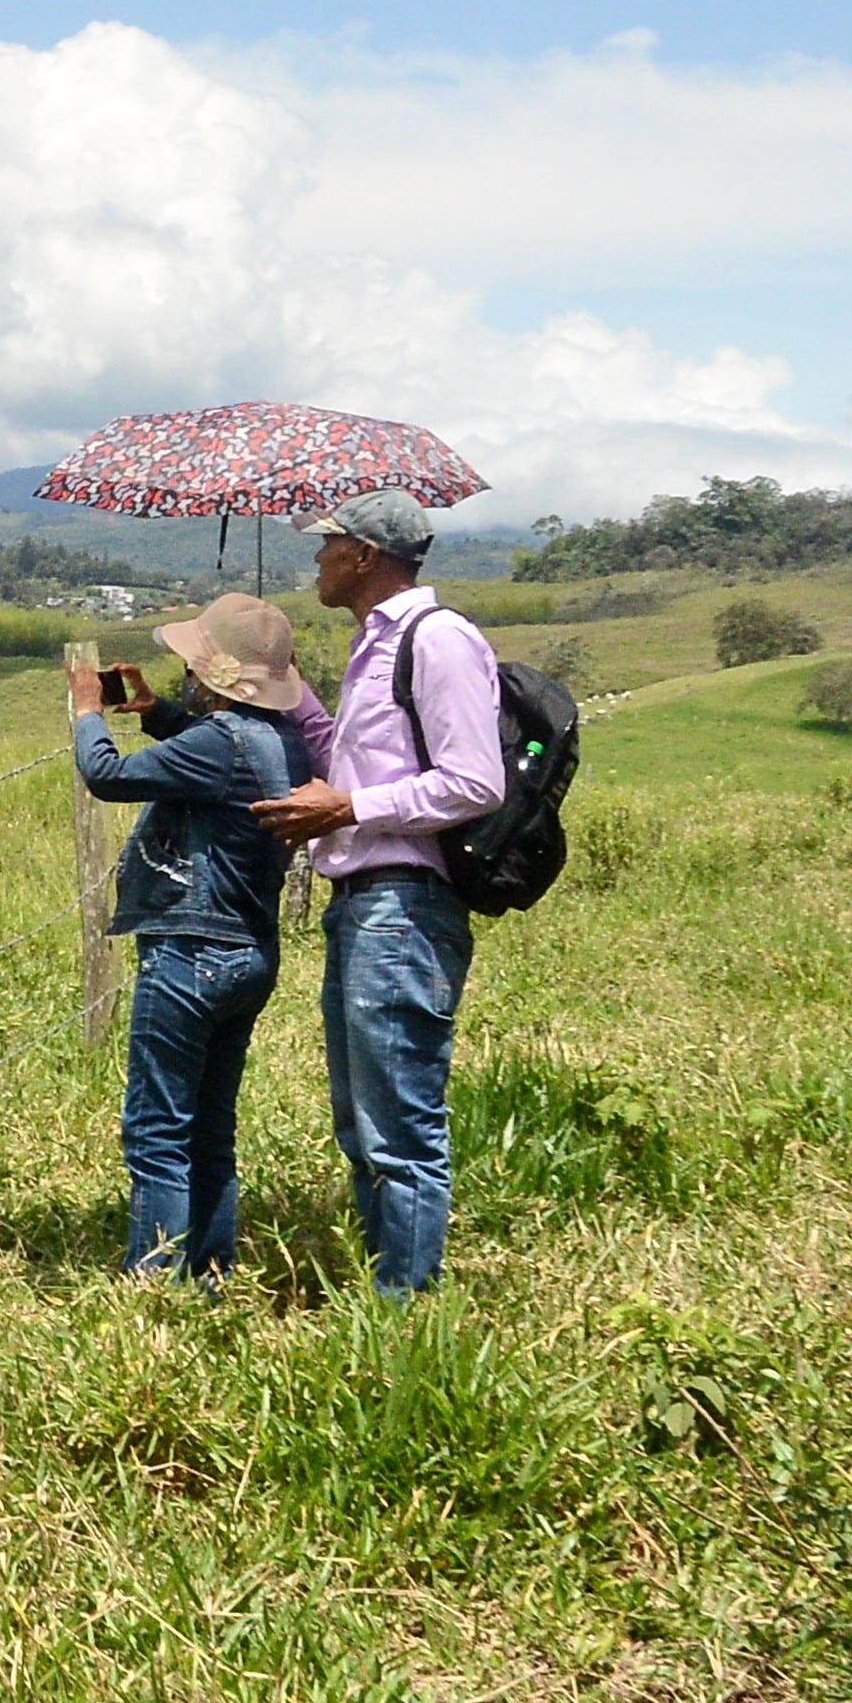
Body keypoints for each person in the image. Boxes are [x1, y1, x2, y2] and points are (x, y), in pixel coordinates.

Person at [251, 488, 504, 1295]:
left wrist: (351, 806)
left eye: (328, 544)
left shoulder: (440, 641)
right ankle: (385, 1291)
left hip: (404, 907)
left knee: (399, 1130)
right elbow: (355, 758)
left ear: (364, 555)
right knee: (362, 1127)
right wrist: (287, 689)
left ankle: (404, 1314)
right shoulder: (375, 647)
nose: (317, 558)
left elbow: (474, 782)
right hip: (363, 906)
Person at [67, 595, 316, 1284]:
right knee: (209, 1130)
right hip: (247, 953)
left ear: (212, 673)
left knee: (157, 1131)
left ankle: (151, 1284)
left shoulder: (219, 741)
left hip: (191, 951)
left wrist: (89, 711)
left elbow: (106, 776)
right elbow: (221, 763)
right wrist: (159, 714)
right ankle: (209, 1275)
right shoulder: (284, 740)